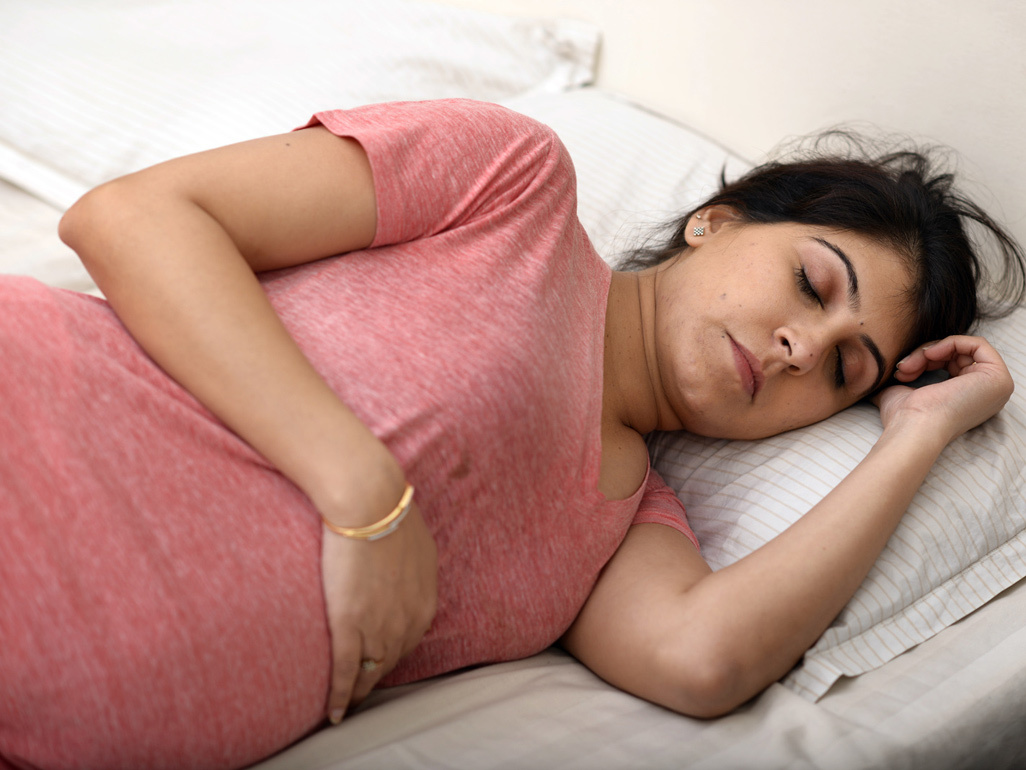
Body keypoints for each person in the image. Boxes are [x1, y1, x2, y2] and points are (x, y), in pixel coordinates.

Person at [1, 99, 1022, 770]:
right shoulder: (513, 184)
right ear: (718, 219)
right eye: (813, 281)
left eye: (844, 367)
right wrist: (363, 491)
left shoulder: (625, 524)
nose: (804, 344)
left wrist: (915, 435)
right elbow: (133, 214)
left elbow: (698, 658)